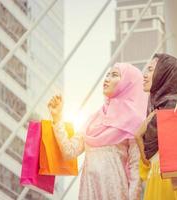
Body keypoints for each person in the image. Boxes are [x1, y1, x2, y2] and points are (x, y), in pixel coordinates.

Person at [48, 63, 148, 200]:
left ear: (127, 83)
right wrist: (57, 118)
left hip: (117, 193)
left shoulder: (134, 121)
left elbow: (135, 173)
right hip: (89, 192)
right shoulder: (92, 120)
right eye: (107, 75)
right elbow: (69, 151)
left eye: (114, 75)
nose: (107, 78)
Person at [135, 53, 177, 200]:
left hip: (171, 185)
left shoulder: (172, 105)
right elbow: (147, 163)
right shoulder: (156, 109)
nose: (145, 75)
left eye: (151, 70)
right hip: (161, 181)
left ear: (164, 73)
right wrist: (138, 136)